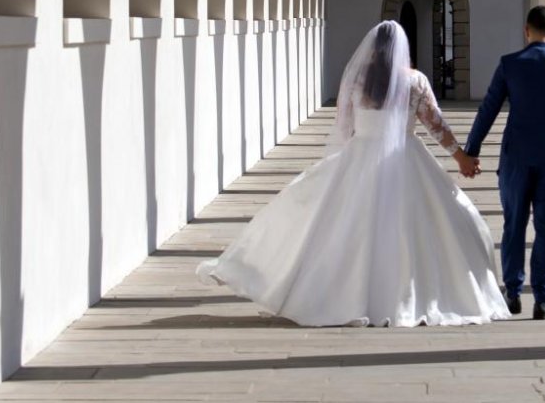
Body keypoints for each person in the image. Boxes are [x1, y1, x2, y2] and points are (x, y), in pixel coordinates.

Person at [197, 20, 509, 327]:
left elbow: (344, 126)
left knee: (344, 226)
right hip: (404, 155)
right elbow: (436, 125)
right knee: (435, 221)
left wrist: (347, 161)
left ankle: (339, 293)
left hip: (359, 154)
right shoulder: (414, 81)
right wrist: (462, 158)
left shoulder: (357, 79)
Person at [461, 5, 545, 320]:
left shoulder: (510, 64)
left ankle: (513, 292)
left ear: (526, 30)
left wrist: (471, 150)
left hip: (516, 156)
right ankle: (543, 299)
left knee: (514, 222)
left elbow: (488, 109)